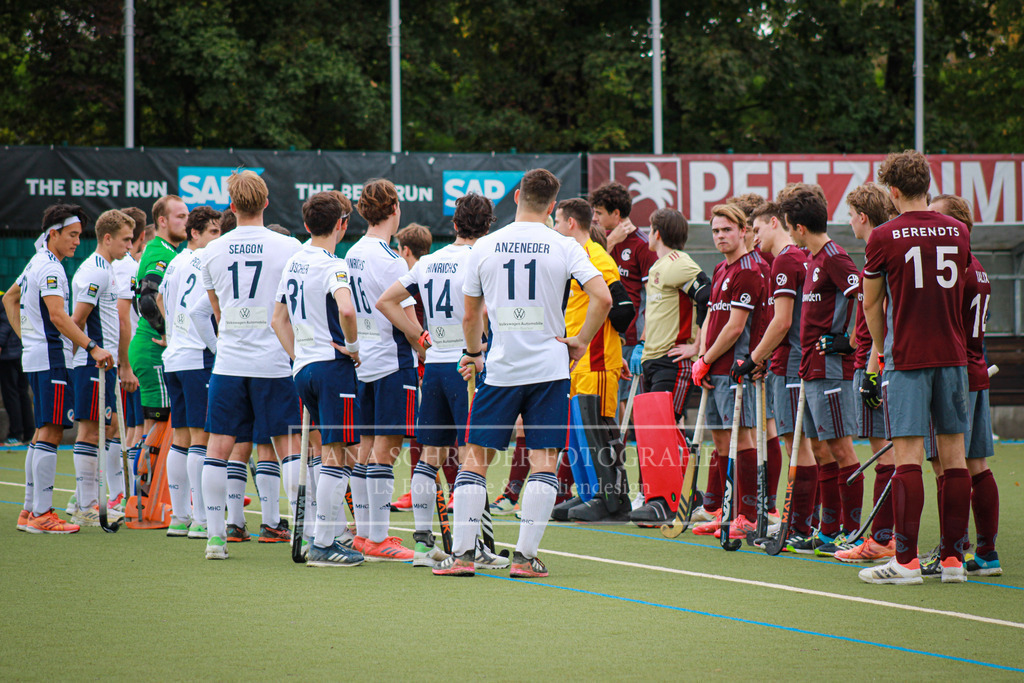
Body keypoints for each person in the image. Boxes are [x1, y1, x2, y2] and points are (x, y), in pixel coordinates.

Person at [433, 168, 611, 577]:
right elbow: (602, 298)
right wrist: (581, 340)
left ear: (516, 197)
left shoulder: (485, 246)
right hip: (550, 368)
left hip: (501, 368)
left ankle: (462, 556)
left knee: (475, 460)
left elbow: (470, 316)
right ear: (552, 206)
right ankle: (525, 558)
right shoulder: (564, 245)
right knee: (544, 461)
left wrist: (474, 354)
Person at [859, 150, 972, 585]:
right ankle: (953, 560)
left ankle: (905, 562)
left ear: (892, 191)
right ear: (927, 185)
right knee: (954, 457)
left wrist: (881, 348)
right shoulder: (958, 230)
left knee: (907, 456)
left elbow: (871, 303)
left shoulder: (883, 236)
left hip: (907, 356)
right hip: (953, 355)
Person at [378, 192, 507, 566]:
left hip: (434, 367)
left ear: (453, 224)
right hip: (467, 365)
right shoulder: (483, 258)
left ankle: (422, 546)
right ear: (488, 226)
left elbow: (386, 301)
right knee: (472, 457)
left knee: (429, 456)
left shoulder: (429, 261)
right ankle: (473, 546)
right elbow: (484, 313)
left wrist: (419, 336)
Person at [199, 170, 302, 559]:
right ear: (266, 202)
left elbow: (217, 312)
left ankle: (215, 538)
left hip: (229, 362)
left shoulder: (212, 251)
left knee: (218, 447)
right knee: (289, 447)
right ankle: (302, 533)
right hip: (273, 362)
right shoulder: (289, 247)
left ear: (231, 206)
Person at [5, 204, 113, 533]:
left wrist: (28, 339)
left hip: (40, 355)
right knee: (51, 431)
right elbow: (57, 315)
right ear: (53, 234)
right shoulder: (51, 267)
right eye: (72, 235)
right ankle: (41, 514)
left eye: (79, 235)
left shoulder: (36, 262)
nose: (77, 241)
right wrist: (92, 346)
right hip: (52, 357)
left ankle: (30, 511)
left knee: (42, 432)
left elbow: (9, 299)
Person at [272, 191, 364, 567]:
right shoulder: (334, 265)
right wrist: (353, 347)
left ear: (307, 224)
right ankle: (325, 543)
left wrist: (298, 357)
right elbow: (347, 309)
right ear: (341, 224)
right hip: (331, 367)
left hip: (304, 369)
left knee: (326, 450)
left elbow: (277, 320)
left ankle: (323, 534)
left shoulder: (294, 260)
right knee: (337, 453)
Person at [773, 189, 863, 556]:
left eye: (789, 227)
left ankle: (853, 532)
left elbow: (867, 295)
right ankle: (827, 532)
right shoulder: (812, 259)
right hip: (810, 369)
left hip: (831, 370)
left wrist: (851, 342)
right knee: (822, 450)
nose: (789, 234)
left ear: (799, 227)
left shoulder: (834, 257)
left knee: (841, 449)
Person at [923, 193, 1000, 577]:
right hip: (976, 370)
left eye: (936, 217)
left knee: (947, 465)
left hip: (954, 374)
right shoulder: (977, 267)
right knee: (975, 464)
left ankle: (951, 549)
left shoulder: (955, 267)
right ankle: (984, 553)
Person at [344, 178, 422, 561]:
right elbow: (406, 317)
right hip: (392, 362)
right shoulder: (391, 259)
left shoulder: (352, 252)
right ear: (394, 209)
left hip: (363, 362)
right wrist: (423, 343)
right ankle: (378, 538)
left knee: (365, 448)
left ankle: (364, 534)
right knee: (386, 451)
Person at [739, 201, 818, 547]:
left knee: (796, 446)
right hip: (797, 361)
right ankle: (806, 523)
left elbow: (782, 322)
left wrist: (753, 358)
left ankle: (799, 526)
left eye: (757, 230)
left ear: (775, 222)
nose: (754, 237)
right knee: (806, 446)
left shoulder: (786, 260)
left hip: (790, 364)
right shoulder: (800, 257)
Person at [552, 197, 634, 523]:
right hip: (581, 361)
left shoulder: (596, 257)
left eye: (557, 221)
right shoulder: (576, 255)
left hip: (597, 359)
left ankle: (613, 499)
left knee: (599, 429)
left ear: (571, 223)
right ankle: (589, 493)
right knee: (580, 432)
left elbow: (622, 307)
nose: (555, 227)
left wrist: (613, 345)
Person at [690, 203, 765, 539]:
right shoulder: (721, 268)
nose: (720, 236)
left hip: (736, 368)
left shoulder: (749, 270)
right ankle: (726, 510)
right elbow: (711, 317)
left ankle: (748, 515)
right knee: (721, 440)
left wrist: (706, 359)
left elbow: (736, 327)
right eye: (716, 231)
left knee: (743, 437)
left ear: (743, 231)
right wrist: (702, 357)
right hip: (713, 366)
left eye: (727, 230)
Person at [834, 183, 899, 563]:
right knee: (887, 454)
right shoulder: (876, 253)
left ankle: (884, 539)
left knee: (886, 455)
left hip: (876, 366)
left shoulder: (882, 253)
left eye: (850, 215)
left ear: (862, 216)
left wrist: (873, 372)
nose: (849, 222)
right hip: (868, 362)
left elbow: (883, 322)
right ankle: (886, 537)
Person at [631, 208, 708, 525]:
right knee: (654, 433)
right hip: (652, 359)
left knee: (664, 430)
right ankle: (678, 497)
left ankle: (671, 499)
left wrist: (697, 345)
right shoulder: (659, 266)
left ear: (657, 233)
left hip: (672, 360)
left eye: (649, 228)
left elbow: (707, 295)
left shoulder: (679, 262)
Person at [68, 209, 135, 527]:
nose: (130, 246)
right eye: (125, 240)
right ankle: (85, 505)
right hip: (92, 364)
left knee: (106, 428)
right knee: (91, 431)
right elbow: (77, 319)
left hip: (103, 365)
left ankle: (83, 499)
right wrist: (85, 352)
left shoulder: (105, 269)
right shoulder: (97, 271)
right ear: (107, 238)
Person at [159, 206, 222, 537]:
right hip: (197, 356)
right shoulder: (204, 261)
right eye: (213, 232)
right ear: (195, 233)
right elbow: (203, 311)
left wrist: (173, 332)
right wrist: (217, 348)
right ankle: (200, 519)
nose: (218, 237)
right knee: (200, 437)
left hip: (175, 357)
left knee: (181, 437)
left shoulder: (175, 262)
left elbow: (159, 299)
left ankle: (180, 516)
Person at [588, 182, 657, 448]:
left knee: (626, 404)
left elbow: (652, 298)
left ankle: (621, 463)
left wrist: (642, 341)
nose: (595, 218)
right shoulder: (600, 241)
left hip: (627, 338)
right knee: (603, 404)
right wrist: (610, 242)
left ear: (616, 214)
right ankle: (606, 458)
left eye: (599, 212)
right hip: (597, 335)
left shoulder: (642, 245)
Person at [129, 195, 188, 487]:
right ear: (162, 221)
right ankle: (143, 495)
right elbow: (147, 300)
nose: (186, 221)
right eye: (180, 216)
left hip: (150, 347)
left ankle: (145, 494)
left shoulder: (167, 250)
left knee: (157, 424)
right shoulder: (160, 252)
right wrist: (168, 334)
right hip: (154, 349)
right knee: (158, 425)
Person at [113, 206, 150, 465]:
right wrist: (125, 363)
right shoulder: (129, 267)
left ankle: (125, 485)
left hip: (124, 355)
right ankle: (134, 485)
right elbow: (122, 317)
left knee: (128, 427)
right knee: (136, 428)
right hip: (133, 356)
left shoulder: (116, 265)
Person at [0, 302, 34, 445]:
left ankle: (16, 434)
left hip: (9, 353)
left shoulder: (5, 298)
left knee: (11, 394)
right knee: (21, 392)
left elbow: (6, 321)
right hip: (20, 350)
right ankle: (28, 433)